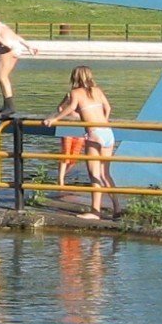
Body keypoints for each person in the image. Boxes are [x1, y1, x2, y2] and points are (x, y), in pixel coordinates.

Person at [44, 66, 117, 218]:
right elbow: (108, 107)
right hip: (108, 132)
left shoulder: (75, 93)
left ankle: (95, 211)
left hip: (94, 133)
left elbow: (70, 107)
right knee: (105, 174)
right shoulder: (97, 90)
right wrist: (104, 121)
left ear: (74, 78)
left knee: (94, 174)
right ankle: (117, 207)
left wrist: (54, 118)